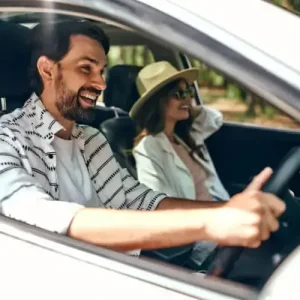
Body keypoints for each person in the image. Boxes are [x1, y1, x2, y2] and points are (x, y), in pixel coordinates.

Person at [0, 21, 285, 257]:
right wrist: (211, 223)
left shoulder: (90, 139)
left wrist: (229, 209)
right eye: (86, 68)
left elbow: (144, 201)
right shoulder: (6, 140)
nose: (101, 84)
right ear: (48, 70)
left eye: (101, 71)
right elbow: (48, 218)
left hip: (126, 272)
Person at [130, 61, 229, 267]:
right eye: (178, 94)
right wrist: (220, 213)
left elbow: (215, 118)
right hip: (206, 240)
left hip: (224, 224)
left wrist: (186, 105)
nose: (188, 98)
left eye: (189, 91)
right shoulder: (149, 148)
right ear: (158, 102)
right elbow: (158, 206)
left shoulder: (186, 135)